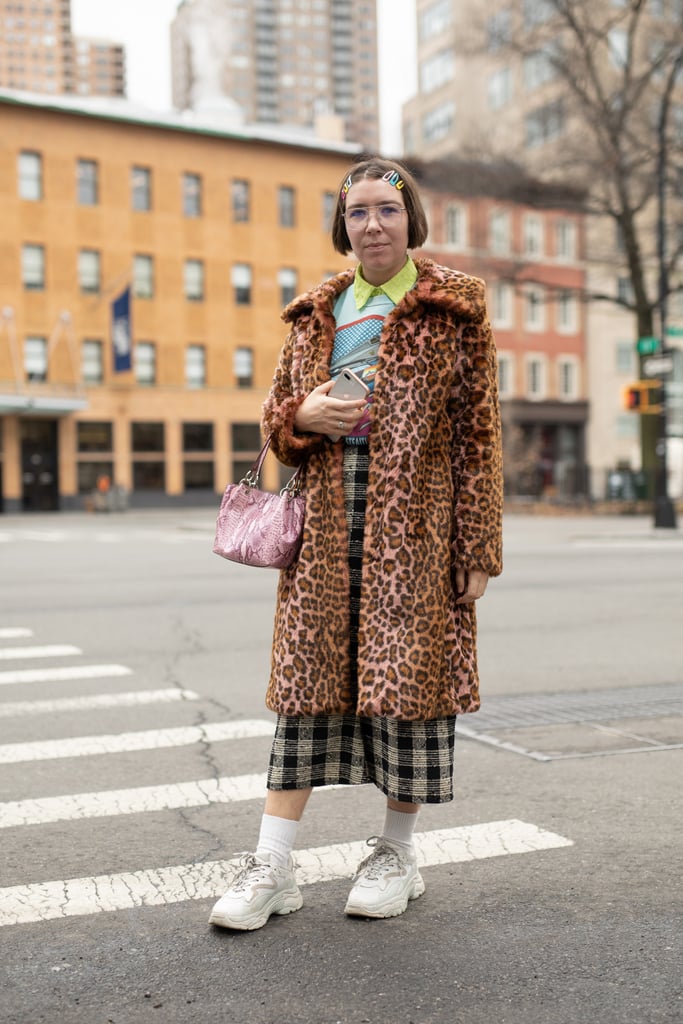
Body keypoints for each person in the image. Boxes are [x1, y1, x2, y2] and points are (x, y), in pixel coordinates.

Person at [209, 156, 503, 930]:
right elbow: (274, 415)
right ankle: (272, 864)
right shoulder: (315, 312)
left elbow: (478, 435)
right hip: (324, 521)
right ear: (341, 225)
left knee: (407, 689)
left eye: (387, 210)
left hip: (418, 525)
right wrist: (300, 419)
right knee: (306, 690)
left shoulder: (454, 310)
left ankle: (397, 853)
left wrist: (477, 546)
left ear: (412, 220)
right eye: (359, 212)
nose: (372, 224)